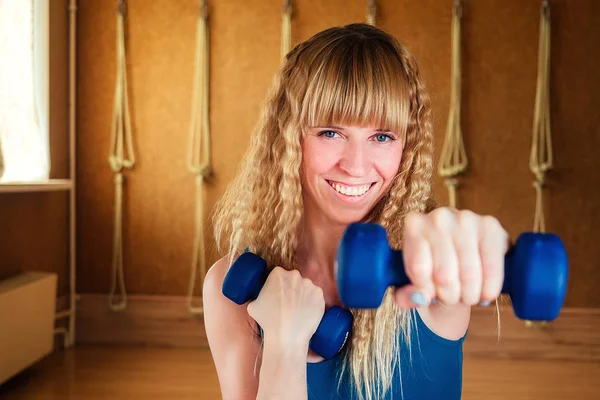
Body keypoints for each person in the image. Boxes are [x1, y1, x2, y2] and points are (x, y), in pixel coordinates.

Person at [203, 23, 509, 400]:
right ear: (289, 137)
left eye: (382, 137)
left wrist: (476, 244)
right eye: (330, 132)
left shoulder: (423, 275)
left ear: (407, 148)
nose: (357, 166)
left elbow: (461, 246)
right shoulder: (230, 290)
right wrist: (284, 345)